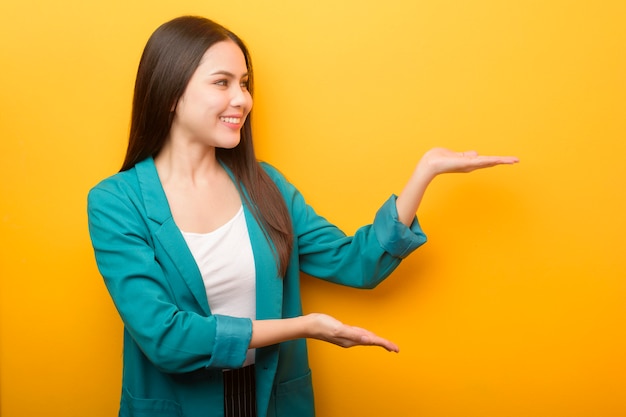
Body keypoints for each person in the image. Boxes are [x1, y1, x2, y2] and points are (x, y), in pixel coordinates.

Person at [87, 15, 519, 417]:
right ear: (170, 94)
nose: (243, 99)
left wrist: (424, 173)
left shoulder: (265, 185)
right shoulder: (116, 202)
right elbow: (166, 339)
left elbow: (357, 263)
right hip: (178, 404)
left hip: (271, 397)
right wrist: (305, 326)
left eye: (244, 83)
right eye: (222, 83)